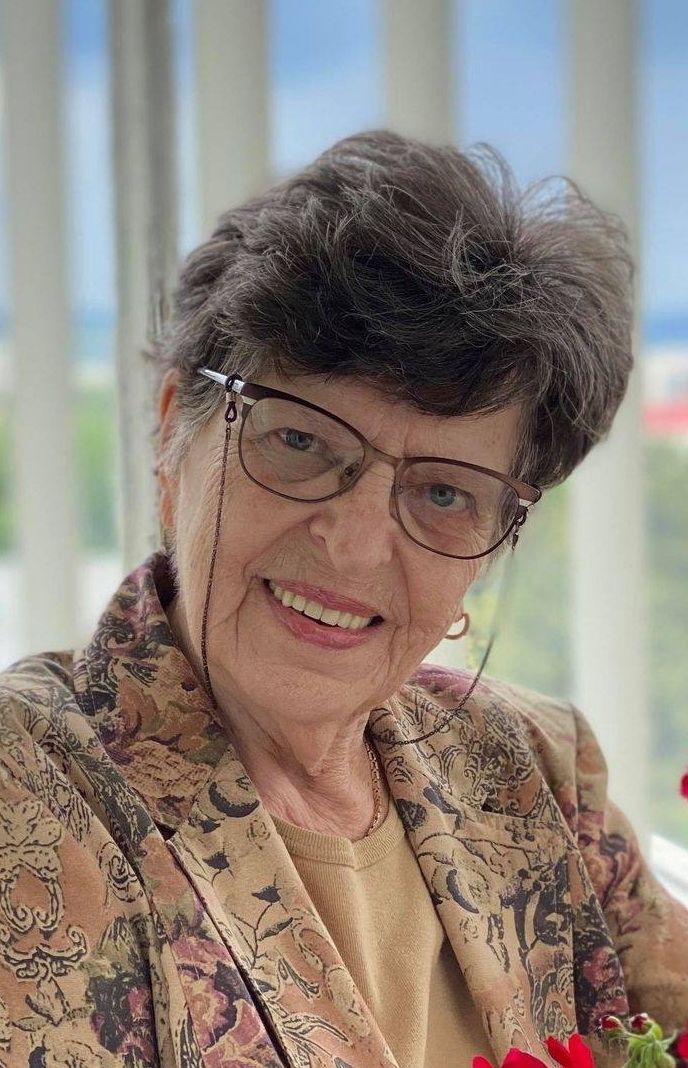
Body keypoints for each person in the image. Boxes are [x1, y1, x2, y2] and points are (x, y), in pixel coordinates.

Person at [0, 130, 686, 1068]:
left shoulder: (538, 771)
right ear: (172, 436)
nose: (356, 544)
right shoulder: (28, 793)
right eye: (299, 442)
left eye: (443, 492)